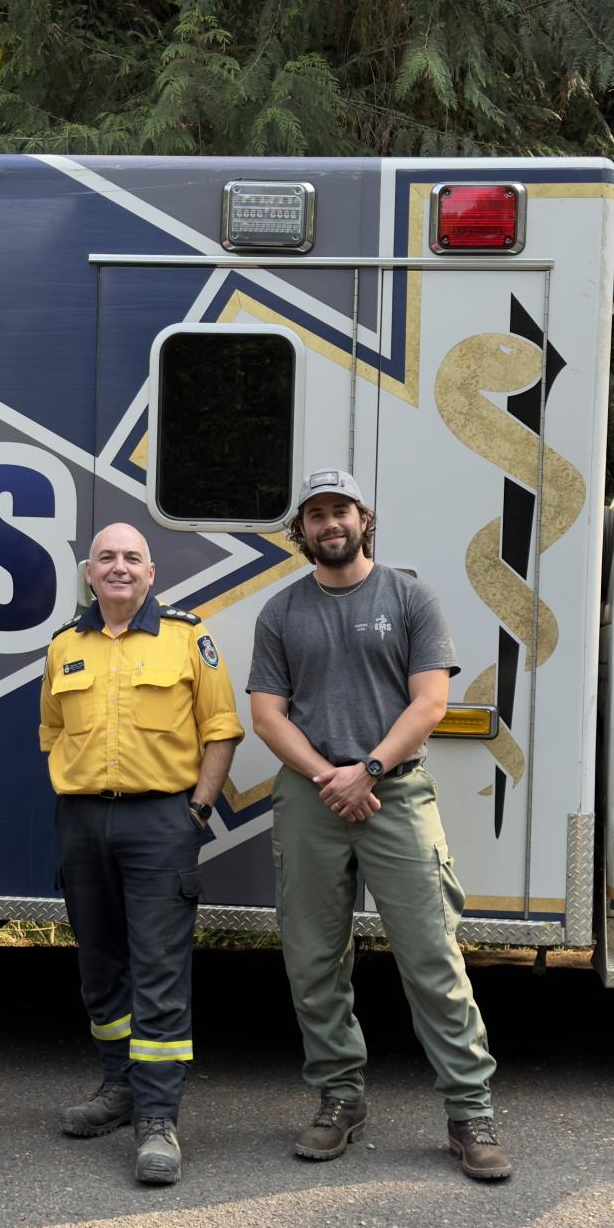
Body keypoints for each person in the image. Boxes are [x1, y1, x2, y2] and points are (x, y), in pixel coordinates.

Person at [247, 468, 512, 1182]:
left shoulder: (409, 597)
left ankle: (469, 1112)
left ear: (365, 518)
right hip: (312, 795)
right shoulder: (281, 612)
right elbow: (267, 714)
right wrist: (328, 776)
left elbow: (429, 703)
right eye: (316, 514)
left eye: (341, 510)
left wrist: (365, 769)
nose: (329, 523)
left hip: (394, 792)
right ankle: (339, 1099)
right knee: (313, 958)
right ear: (300, 530)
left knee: (432, 956)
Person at [39, 523, 242, 1185]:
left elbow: (220, 730)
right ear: (89, 574)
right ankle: (118, 1089)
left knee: (158, 969)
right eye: (107, 558)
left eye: (131, 557)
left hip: (162, 819)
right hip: (83, 818)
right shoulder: (64, 645)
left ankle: (157, 1118)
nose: (119, 567)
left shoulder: (190, 638)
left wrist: (197, 813)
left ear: (151, 573)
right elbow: (52, 732)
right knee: (99, 964)